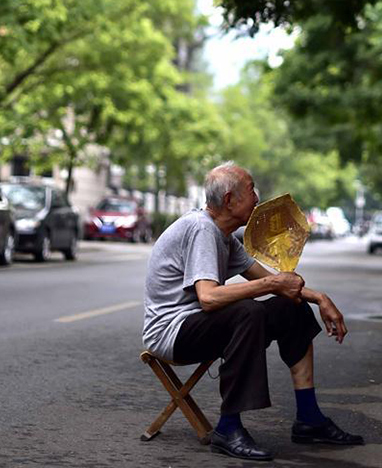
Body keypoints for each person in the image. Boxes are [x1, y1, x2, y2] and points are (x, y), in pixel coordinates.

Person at [142, 162, 364, 461]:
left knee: (290, 306)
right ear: (230, 200)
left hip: (200, 325)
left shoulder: (225, 235)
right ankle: (228, 427)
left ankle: (309, 419)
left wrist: (319, 298)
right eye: (251, 190)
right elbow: (208, 298)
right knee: (248, 312)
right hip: (172, 333)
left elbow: (269, 281)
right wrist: (274, 284)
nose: (257, 197)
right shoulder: (201, 229)